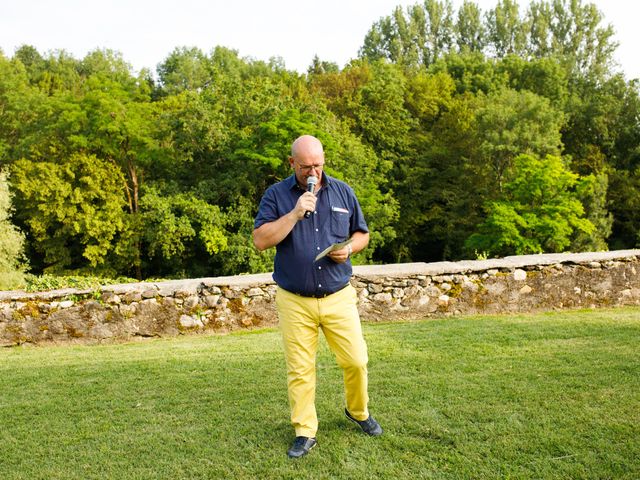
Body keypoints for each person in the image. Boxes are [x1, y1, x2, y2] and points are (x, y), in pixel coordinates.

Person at [253, 134, 383, 459]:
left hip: (339, 295)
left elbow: (362, 233)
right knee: (300, 369)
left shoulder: (343, 191)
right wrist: (295, 213)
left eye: (318, 165)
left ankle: (358, 411)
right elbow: (260, 240)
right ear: (292, 163)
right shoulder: (276, 196)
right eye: (306, 167)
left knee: (356, 361)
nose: (313, 173)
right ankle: (305, 431)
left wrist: (350, 248)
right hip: (294, 299)